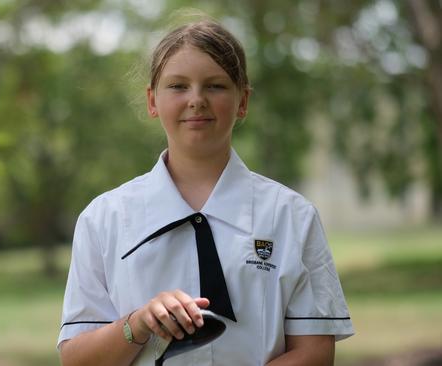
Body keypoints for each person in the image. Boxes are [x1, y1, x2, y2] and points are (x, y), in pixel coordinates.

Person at [58, 18, 354, 366]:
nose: (196, 100)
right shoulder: (103, 219)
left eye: (215, 86)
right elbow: (76, 360)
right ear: (152, 101)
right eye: (178, 86)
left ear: (243, 101)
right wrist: (137, 325)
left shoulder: (291, 215)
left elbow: (316, 352)